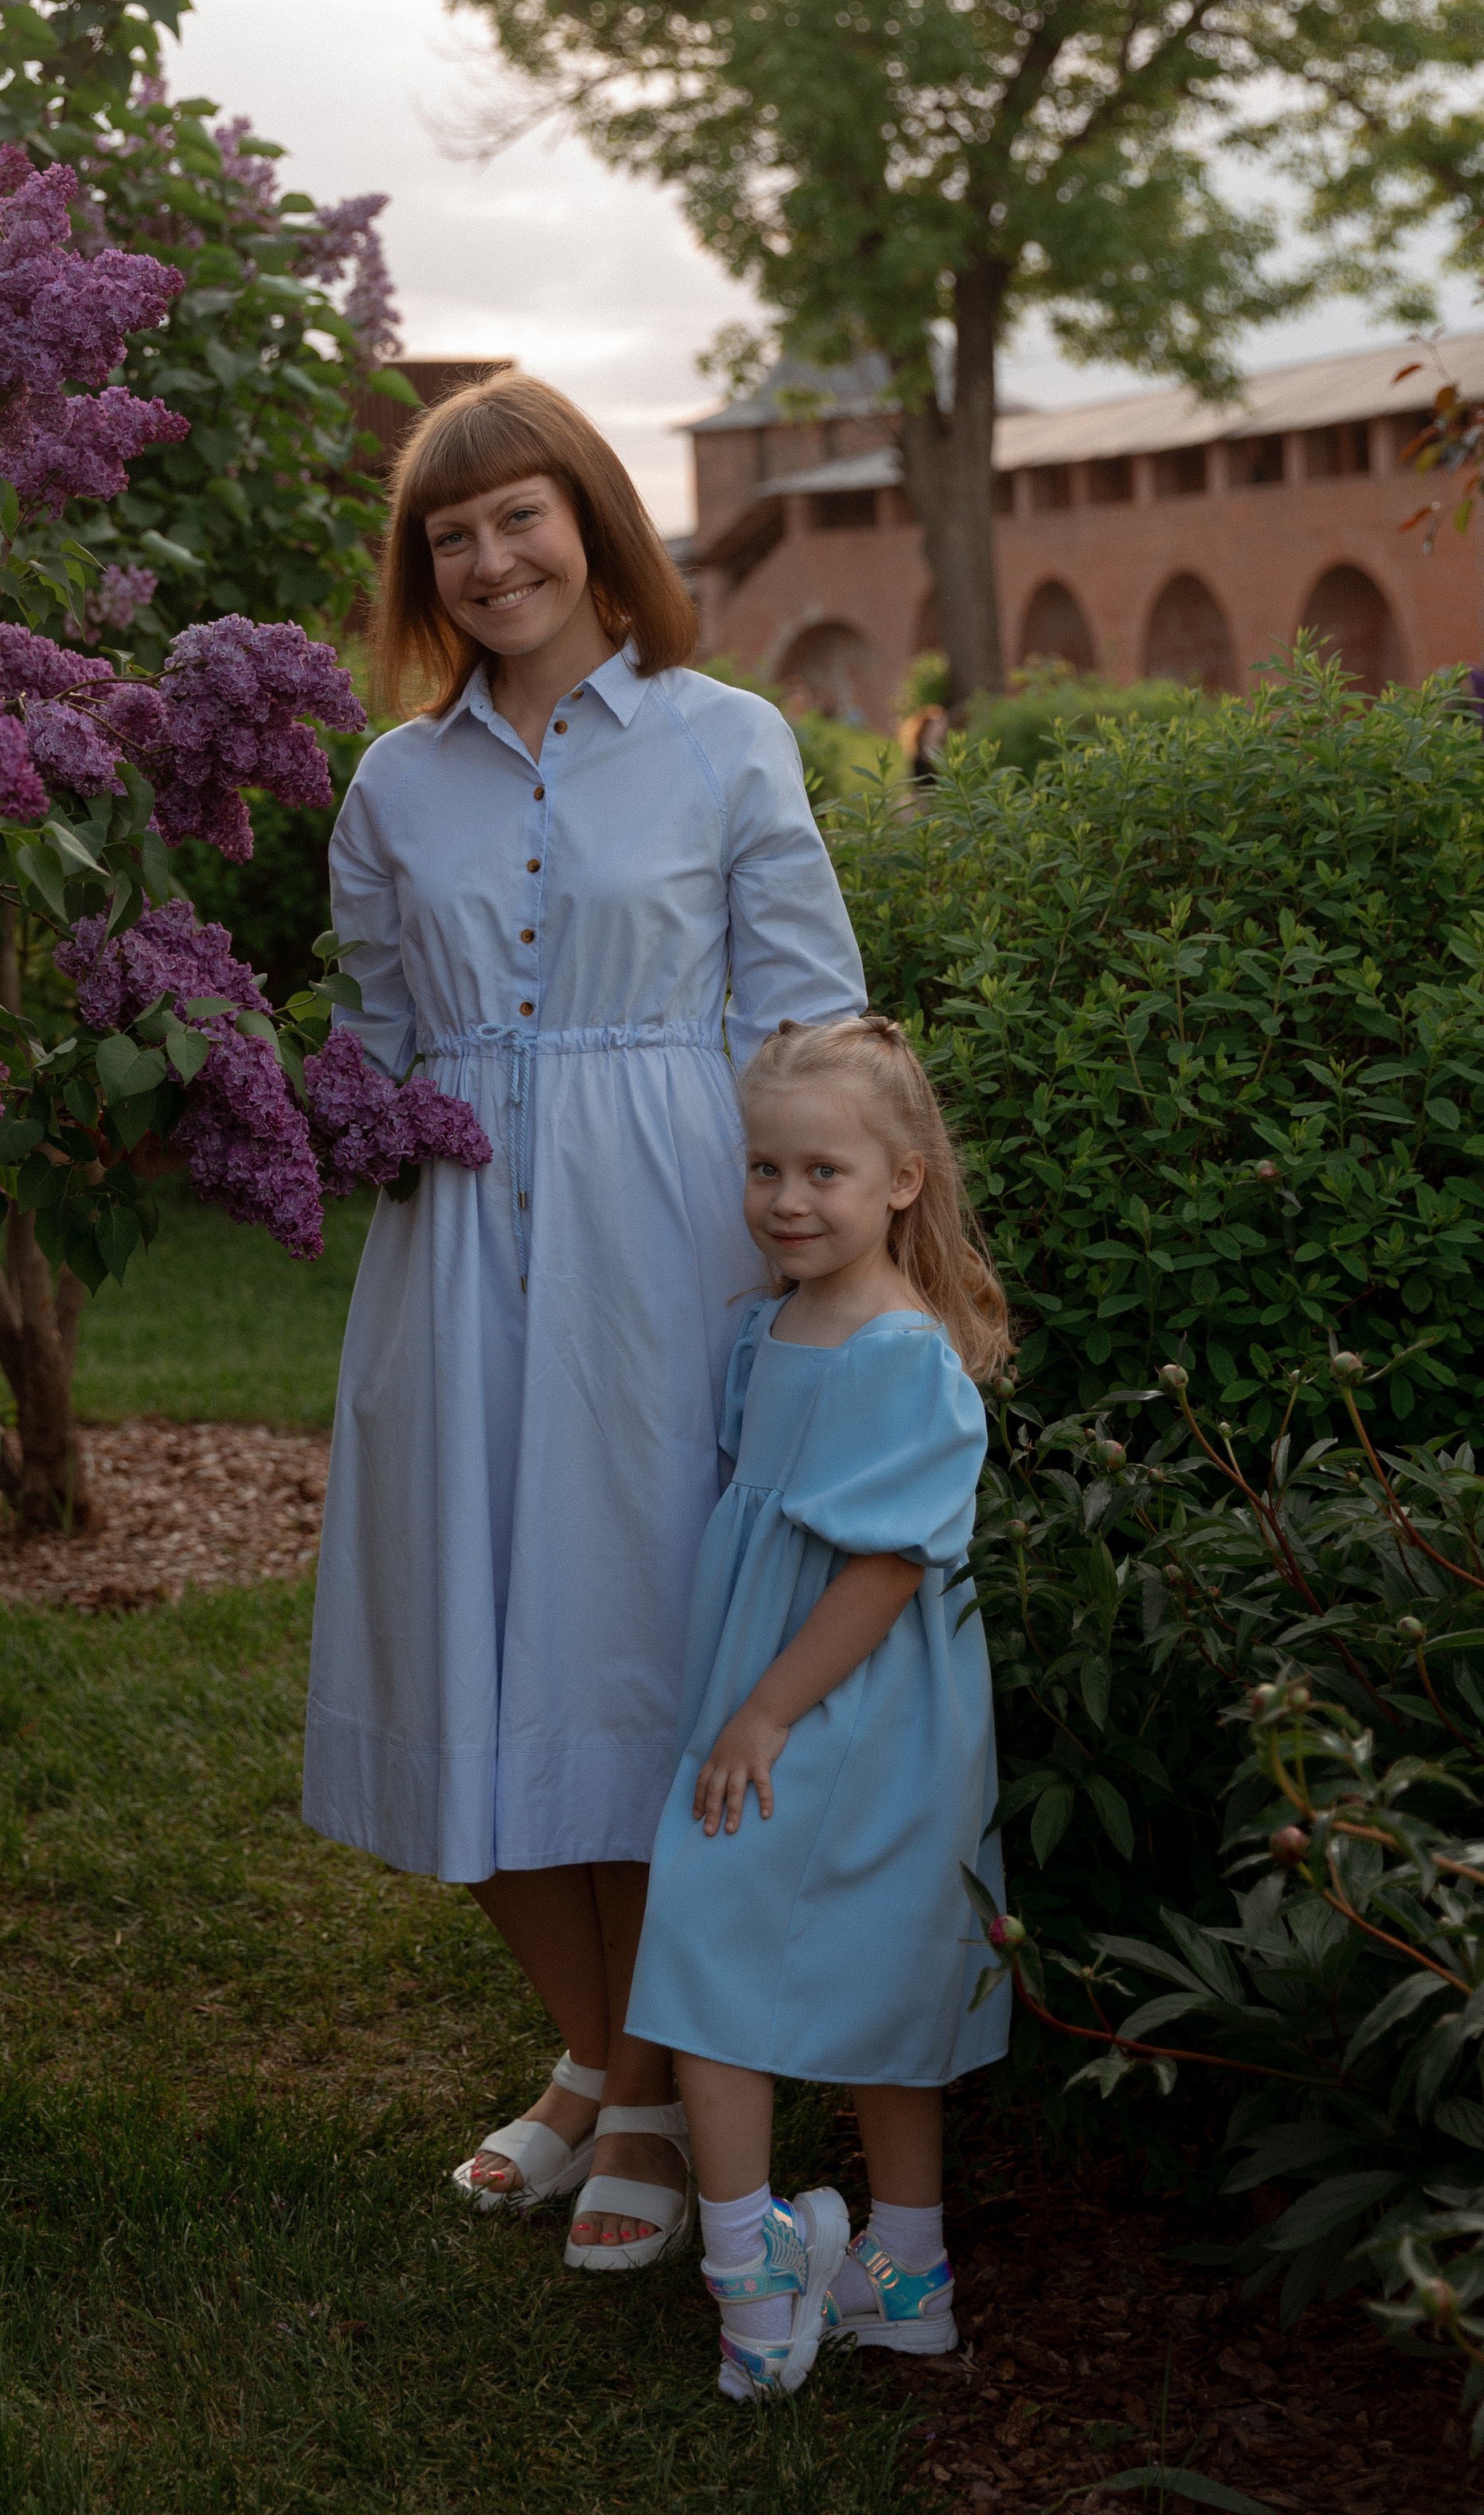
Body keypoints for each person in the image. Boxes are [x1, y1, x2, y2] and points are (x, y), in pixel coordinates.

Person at [302, 372, 864, 2270]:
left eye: (517, 518)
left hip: (671, 1252)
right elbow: (371, 1039)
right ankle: (599, 2068)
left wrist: (825, 1269)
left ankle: (625, 2095)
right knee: (470, 1653)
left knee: (638, 1664)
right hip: (457, 1251)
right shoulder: (393, 784)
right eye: (447, 539)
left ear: (595, 523)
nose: (484, 560)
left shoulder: (726, 744)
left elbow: (806, 1029)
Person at [624, 1012, 1012, 2396]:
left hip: (845, 1705)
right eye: (764, 1168)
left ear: (903, 1179)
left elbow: (890, 1565)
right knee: (869, 1968)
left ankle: (757, 2288)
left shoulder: (896, 1351)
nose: (786, 1200)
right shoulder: (778, 1320)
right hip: (792, 1692)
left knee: (706, 1951)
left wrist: (766, 1714)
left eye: (823, 1173)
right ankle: (904, 2280)